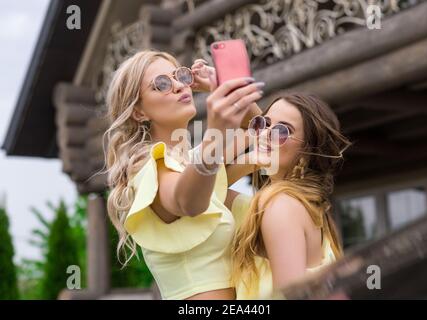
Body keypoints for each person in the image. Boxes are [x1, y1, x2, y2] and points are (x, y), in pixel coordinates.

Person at [104, 50, 264, 299]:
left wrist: (219, 86)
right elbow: (187, 202)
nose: (179, 86)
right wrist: (216, 134)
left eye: (180, 76)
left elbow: (263, 133)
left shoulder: (193, 161)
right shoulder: (146, 168)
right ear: (139, 112)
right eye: (162, 84)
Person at [229, 93, 352, 299]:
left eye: (282, 130)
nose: (265, 133)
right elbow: (206, 193)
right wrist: (252, 159)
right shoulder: (304, 206)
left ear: (306, 151)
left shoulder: (281, 207)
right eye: (264, 124)